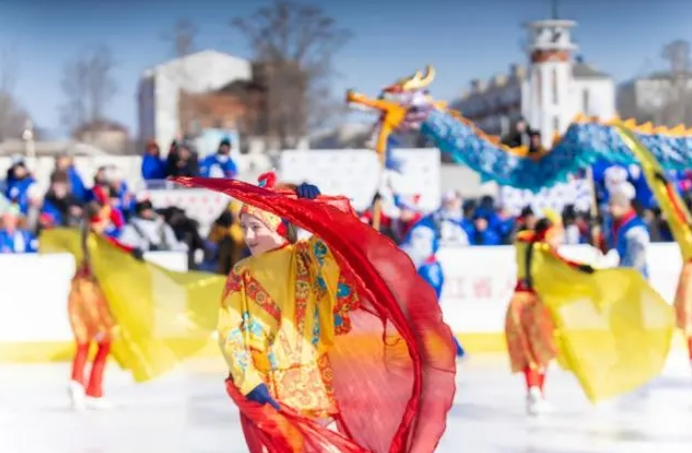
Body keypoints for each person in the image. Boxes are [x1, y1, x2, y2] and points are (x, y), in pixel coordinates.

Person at [173, 172, 456, 453]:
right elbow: (230, 331)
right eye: (245, 227)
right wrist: (248, 380)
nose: (248, 236)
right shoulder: (242, 274)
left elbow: (344, 240)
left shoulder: (306, 258)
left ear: (280, 227)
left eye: (256, 226)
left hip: (316, 384)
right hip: (269, 388)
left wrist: (319, 206)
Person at [505, 211, 595, 415]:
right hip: (535, 304)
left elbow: (524, 234)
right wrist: (586, 270)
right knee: (540, 351)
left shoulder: (522, 242)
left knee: (528, 351)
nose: (559, 240)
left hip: (518, 302)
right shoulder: (544, 251)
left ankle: (534, 390)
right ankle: (537, 391)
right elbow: (565, 265)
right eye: (557, 235)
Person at [67, 202, 143, 411]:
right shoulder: (96, 240)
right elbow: (115, 250)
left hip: (78, 292)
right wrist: (131, 252)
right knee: (104, 341)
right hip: (93, 294)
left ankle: (77, 382)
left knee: (84, 341)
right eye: (105, 219)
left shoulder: (83, 238)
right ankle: (93, 390)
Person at [605, 185, 650, 278]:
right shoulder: (615, 223)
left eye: (612, 205)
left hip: (633, 279)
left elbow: (636, 261)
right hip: (621, 277)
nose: (609, 209)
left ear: (622, 206)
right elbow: (609, 248)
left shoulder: (636, 230)